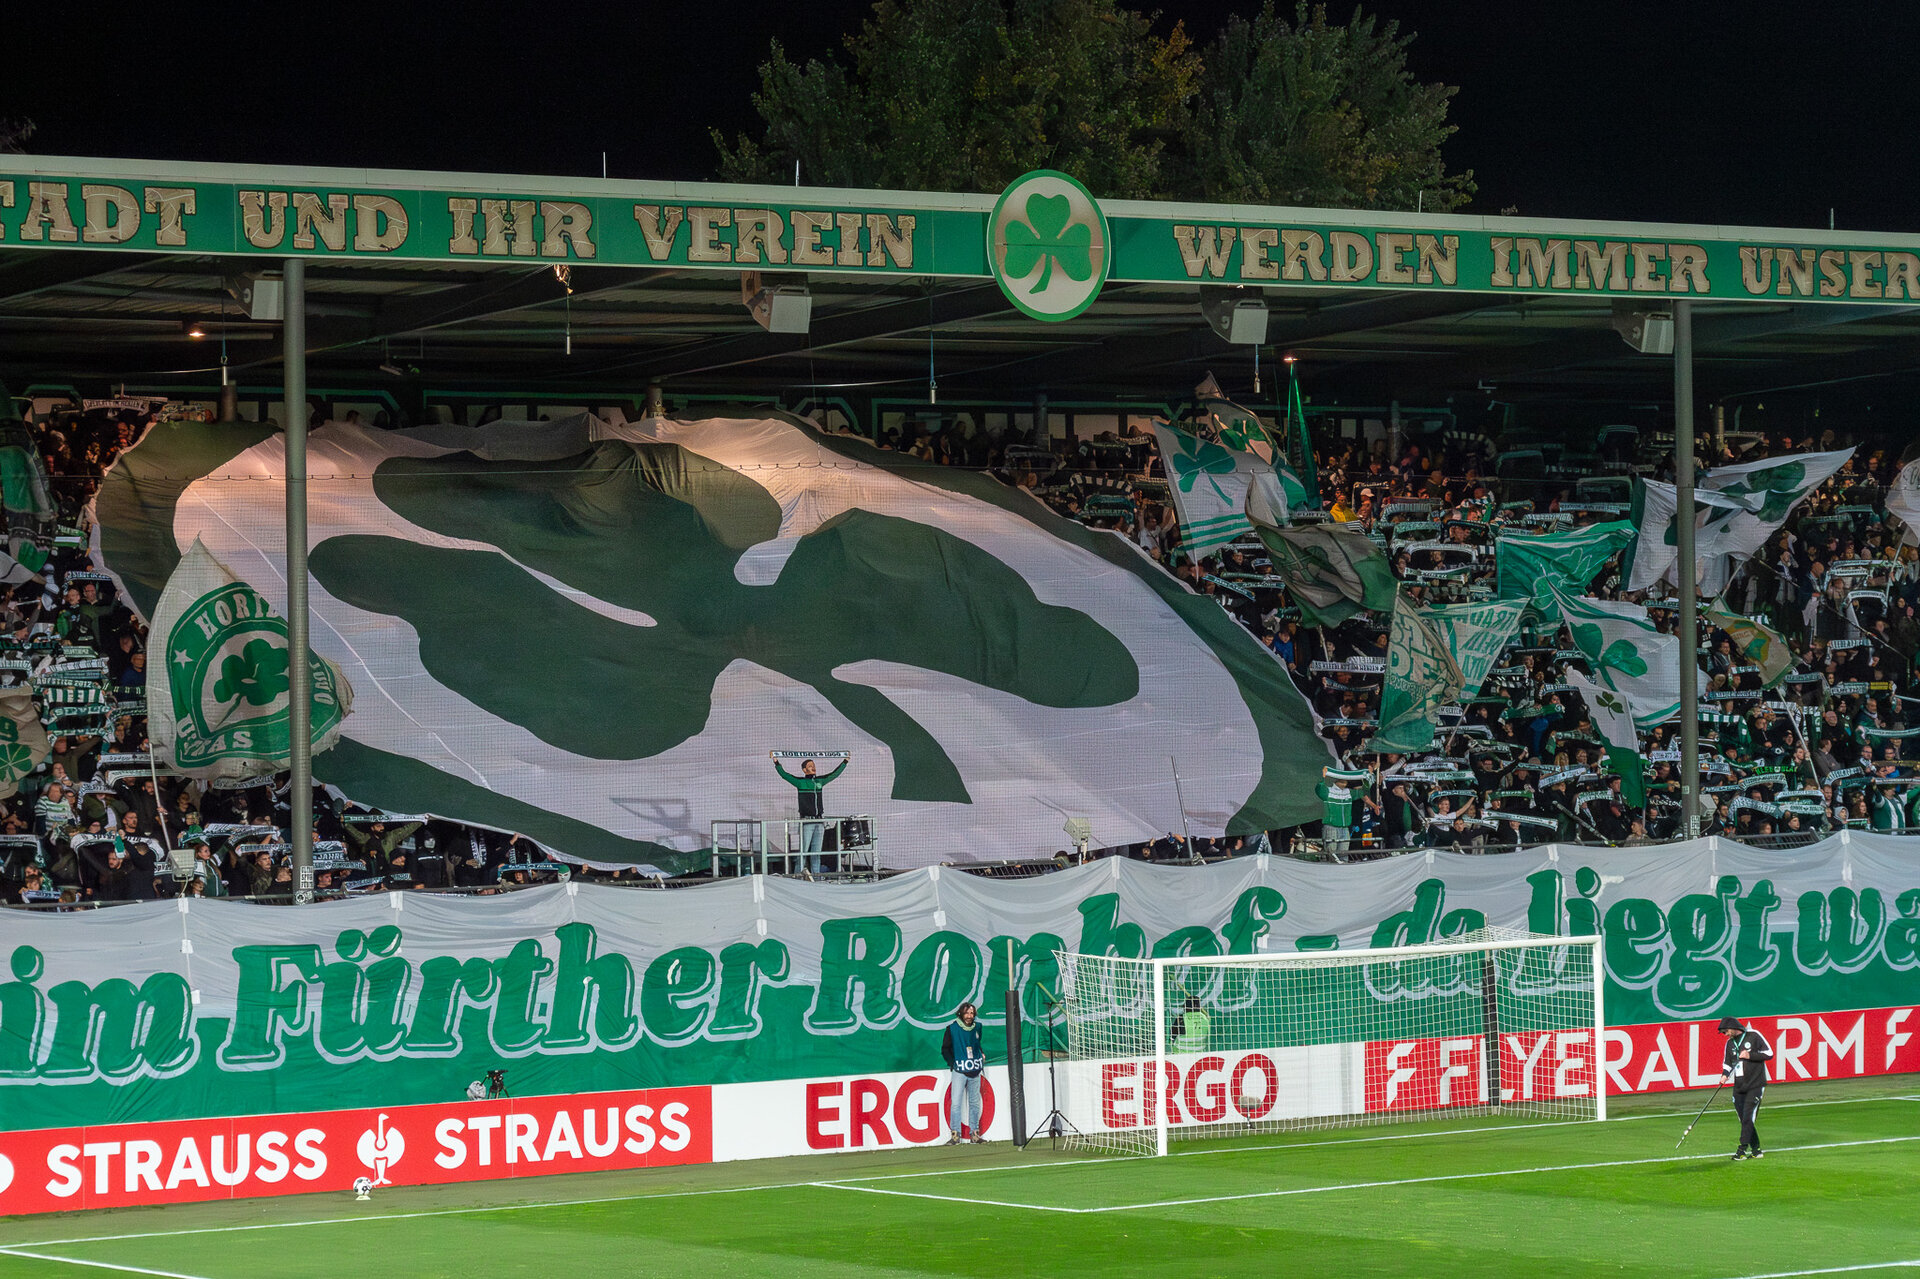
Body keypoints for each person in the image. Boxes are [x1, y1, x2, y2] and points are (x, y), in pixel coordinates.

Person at [772, 753, 848, 874]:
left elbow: (834, 774)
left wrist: (845, 761)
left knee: (816, 854)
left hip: (819, 821)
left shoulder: (820, 781)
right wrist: (776, 762)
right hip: (807, 822)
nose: (813, 767)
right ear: (804, 770)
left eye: (814, 765)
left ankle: (816, 877)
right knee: (803, 853)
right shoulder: (800, 782)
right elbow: (785, 775)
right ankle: (797, 876)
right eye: (810, 766)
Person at [1719, 1016, 1774, 1160]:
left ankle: (1742, 1149)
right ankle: (1756, 1150)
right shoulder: (1730, 1043)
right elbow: (1727, 1063)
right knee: (1744, 1119)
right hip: (1739, 1086)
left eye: (1725, 1031)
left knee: (1748, 1117)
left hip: (1755, 1084)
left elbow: (1769, 1053)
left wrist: (1750, 1055)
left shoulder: (1753, 1035)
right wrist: (1725, 1075)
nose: (1725, 1034)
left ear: (1732, 1027)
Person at [940, 1001, 986, 1145]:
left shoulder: (978, 1027)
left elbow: (977, 1045)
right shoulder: (952, 1028)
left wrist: (981, 1053)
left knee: (974, 1103)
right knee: (956, 1103)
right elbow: (945, 1049)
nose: (969, 1016)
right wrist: (952, 1063)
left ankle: (975, 1134)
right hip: (959, 1070)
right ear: (961, 1013)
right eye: (967, 1013)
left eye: (972, 1013)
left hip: (975, 1069)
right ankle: (955, 1135)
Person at [1315, 767, 1370, 861]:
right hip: (1331, 827)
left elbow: (1363, 792)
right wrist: (1323, 777)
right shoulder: (1328, 791)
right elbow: (1318, 788)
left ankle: (1343, 870)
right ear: (1335, 781)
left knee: (1343, 857)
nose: (1344, 784)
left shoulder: (1349, 792)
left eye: (1345, 781)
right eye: (1342, 781)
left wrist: (1367, 778)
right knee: (1331, 856)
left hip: (1345, 828)